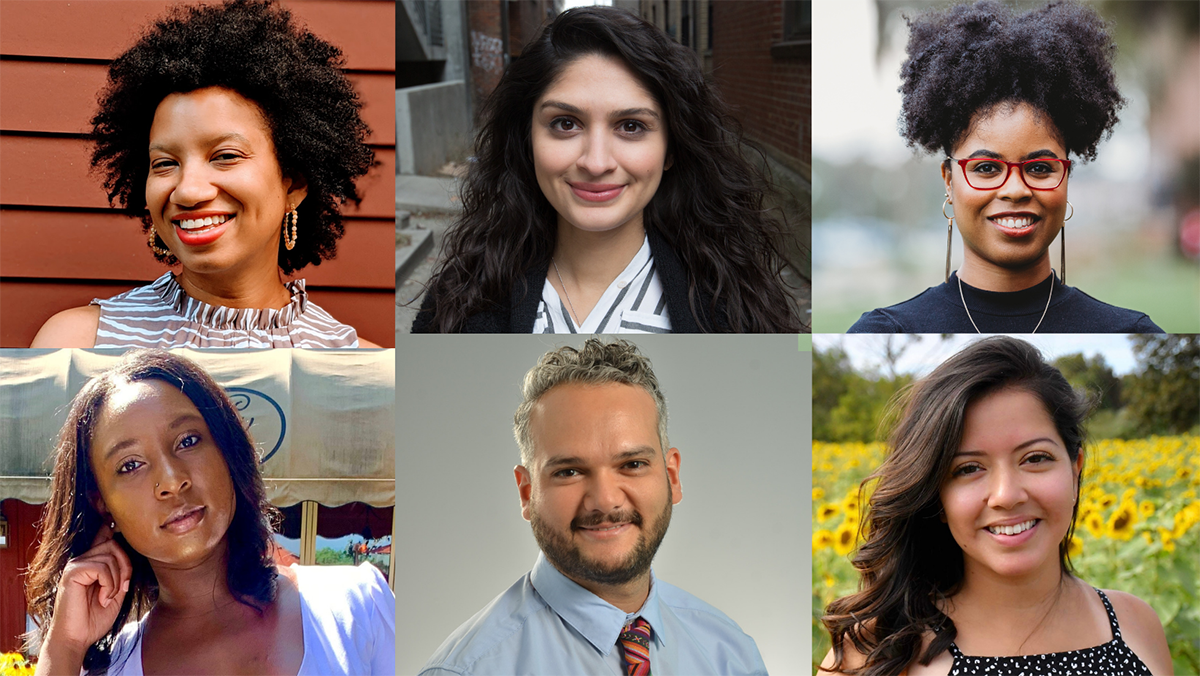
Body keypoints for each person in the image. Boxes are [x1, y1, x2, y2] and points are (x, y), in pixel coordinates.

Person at [411, 7, 802, 333]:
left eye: (631, 126)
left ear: (671, 148)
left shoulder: (737, 308)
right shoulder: (457, 302)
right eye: (566, 123)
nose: (596, 163)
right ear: (526, 139)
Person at [30, 0, 378, 348]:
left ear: (295, 183)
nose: (188, 191)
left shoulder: (359, 369)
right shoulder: (76, 345)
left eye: (225, 156)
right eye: (165, 163)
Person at [23, 350, 395, 675]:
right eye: (131, 464)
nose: (171, 481)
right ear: (102, 503)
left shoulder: (357, 604)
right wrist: (66, 645)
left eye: (187, 441)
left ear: (227, 451)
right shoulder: (108, 669)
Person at [820, 336, 1173, 676]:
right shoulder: (873, 654)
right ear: (936, 496)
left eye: (1035, 458)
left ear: (1075, 470)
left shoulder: (1136, 624)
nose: (1006, 495)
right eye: (968, 469)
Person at [420, 339, 768, 674]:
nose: (605, 500)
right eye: (569, 472)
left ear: (672, 476)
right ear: (526, 493)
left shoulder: (731, 653)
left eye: (632, 464)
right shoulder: (467, 669)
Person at [848, 1, 1162, 334]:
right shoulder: (886, 330)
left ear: (1066, 176)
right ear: (948, 181)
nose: (1015, 190)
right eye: (986, 168)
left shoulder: (1129, 331)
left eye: (1040, 168)